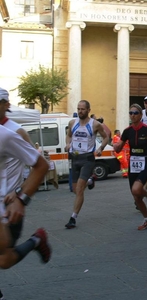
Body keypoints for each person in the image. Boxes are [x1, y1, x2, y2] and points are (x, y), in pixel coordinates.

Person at [0, 125, 52, 299]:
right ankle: (36, 241)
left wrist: (21, 197)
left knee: (4, 256)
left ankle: (36, 240)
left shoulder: (9, 133)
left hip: (8, 205)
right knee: (4, 260)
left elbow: (39, 164)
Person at [114, 104, 147, 230]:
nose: (132, 115)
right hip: (133, 164)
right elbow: (120, 147)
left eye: (135, 113)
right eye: (131, 113)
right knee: (136, 196)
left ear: (140, 115)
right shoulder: (127, 131)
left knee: (137, 189)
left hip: (146, 162)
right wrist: (116, 147)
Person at [64, 100, 109, 229]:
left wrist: (100, 148)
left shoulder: (95, 124)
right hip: (74, 157)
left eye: (83, 109)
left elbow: (106, 137)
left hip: (87, 159)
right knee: (74, 189)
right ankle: (90, 181)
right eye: (78, 109)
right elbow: (69, 136)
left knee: (79, 190)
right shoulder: (72, 123)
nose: (80, 111)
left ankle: (73, 218)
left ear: (88, 110)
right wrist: (68, 144)